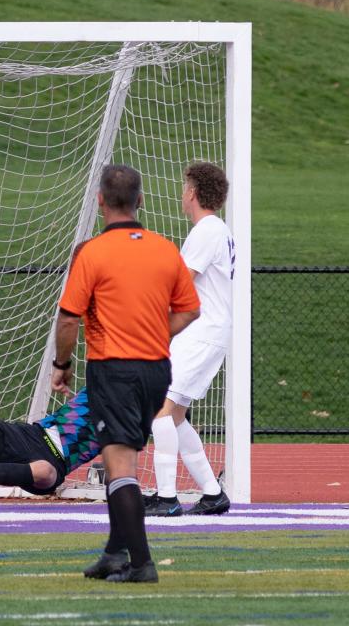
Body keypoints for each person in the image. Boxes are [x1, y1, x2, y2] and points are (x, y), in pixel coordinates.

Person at [51, 164, 200, 584]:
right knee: (124, 458)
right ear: (141, 201)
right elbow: (190, 308)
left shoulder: (92, 252)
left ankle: (141, 564)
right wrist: (155, 331)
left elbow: (67, 320)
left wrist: (61, 366)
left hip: (114, 369)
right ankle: (115, 553)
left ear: (100, 200)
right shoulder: (165, 248)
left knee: (120, 468)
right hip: (156, 370)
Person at [145, 162, 234, 517]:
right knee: (176, 415)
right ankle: (213, 493)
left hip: (200, 332)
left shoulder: (207, 230)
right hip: (209, 332)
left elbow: (179, 284)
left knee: (159, 409)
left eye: (185, 187)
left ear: (193, 193)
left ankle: (166, 498)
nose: (182, 193)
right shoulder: (217, 230)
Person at [0, 388, 98, 496]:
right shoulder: (100, 384)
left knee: (45, 472)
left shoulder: (120, 426)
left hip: (58, 463)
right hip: (34, 434)